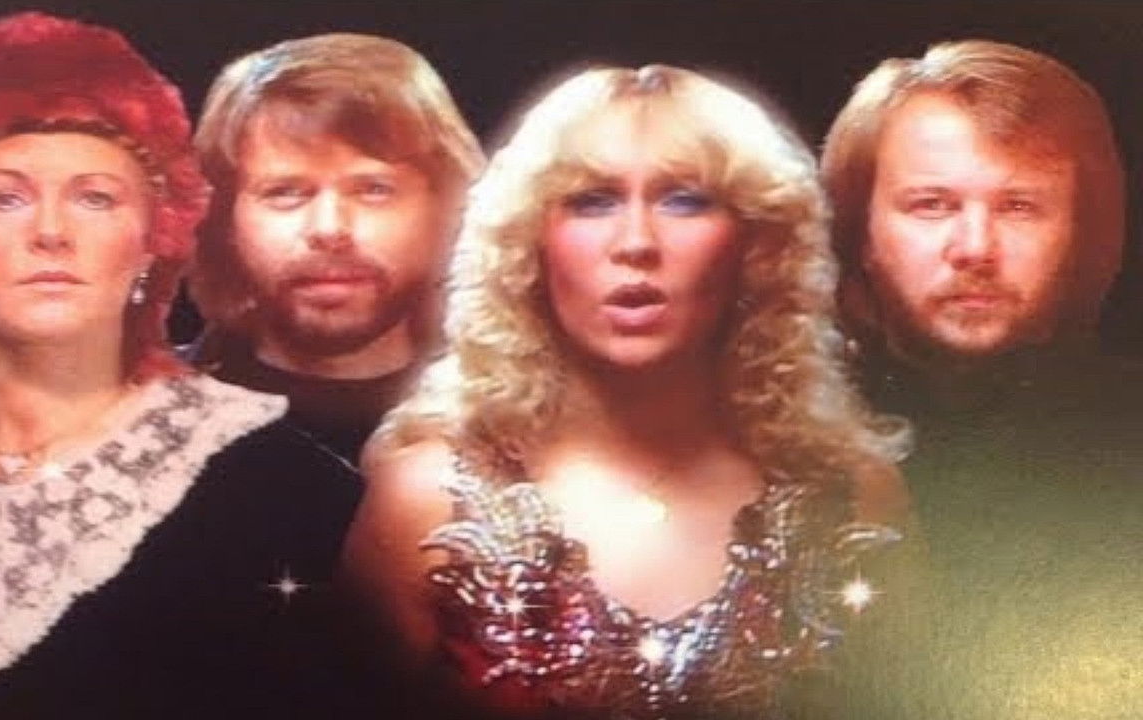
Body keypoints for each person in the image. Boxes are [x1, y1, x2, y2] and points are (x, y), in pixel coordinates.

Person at [342, 64, 908, 719]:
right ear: (529, 243)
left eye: (685, 200)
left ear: (757, 245)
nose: (636, 243)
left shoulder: (855, 499)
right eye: (592, 200)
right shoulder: (427, 503)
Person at [0, 13, 362, 719]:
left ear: (153, 239)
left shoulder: (290, 488)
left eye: (95, 198)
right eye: (5, 197)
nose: (51, 232)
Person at [818, 40, 1143, 718]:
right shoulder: (775, 435)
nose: (975, 249)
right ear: (860, 233)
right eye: (931, 204)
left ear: (1079, 232)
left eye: (1019, 206)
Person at [187, 33, 484, 465]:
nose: (329, 229)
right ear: (223, 217)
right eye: (286, 192)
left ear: (447, 209)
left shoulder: (523, 422)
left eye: (373, 189)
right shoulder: (134, 423)